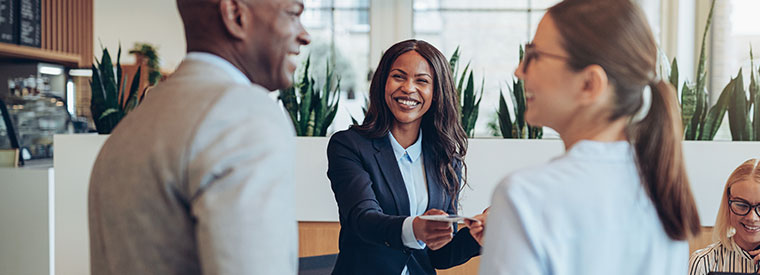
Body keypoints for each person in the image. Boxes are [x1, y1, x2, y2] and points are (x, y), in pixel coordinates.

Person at [478, 0, 701, 274]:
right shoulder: (665, 193)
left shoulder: (525, 197)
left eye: (534, 55)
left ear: (589, 84)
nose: (519, 71)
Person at [87, 0, 310, 274]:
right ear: (235, 15)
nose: (305, 34)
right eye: (293, 14)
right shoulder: (244, 115)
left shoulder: (130, 126)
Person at [326, 39, 485, 275]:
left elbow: (439, 255)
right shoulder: (349, 146)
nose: (409, 88)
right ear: (383, 83)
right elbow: (364, 219)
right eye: (399, 76)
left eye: (422, 81)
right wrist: (415, 228)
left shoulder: (446, 158)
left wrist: (477, 237)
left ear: (436, 93)